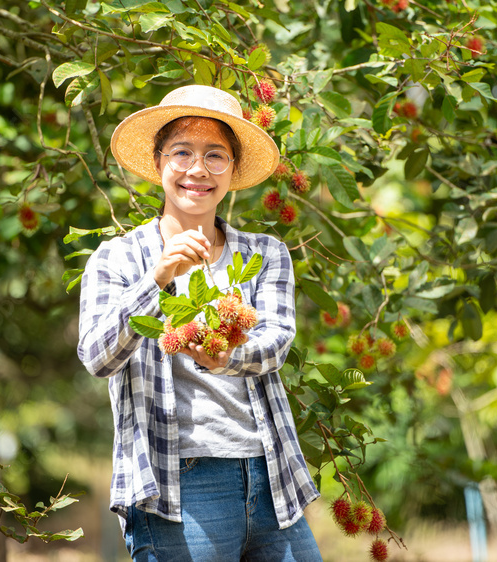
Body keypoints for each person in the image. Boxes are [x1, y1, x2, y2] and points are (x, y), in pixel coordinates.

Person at [77, 85, 322, 561]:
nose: (197, 169)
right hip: (179, 483)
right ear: (158, 161)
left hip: (270, 475)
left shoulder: (265, 254)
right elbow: (97, 355)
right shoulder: (118, 259)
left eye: (215, 155)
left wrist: (227, 356)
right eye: (182, 152)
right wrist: (158, 278)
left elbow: (276, 342)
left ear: (231, 170)